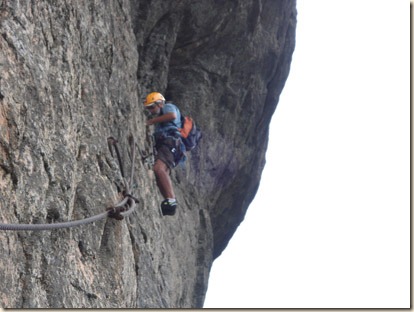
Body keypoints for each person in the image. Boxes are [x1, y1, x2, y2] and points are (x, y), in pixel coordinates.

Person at [144, 92, 185, 216]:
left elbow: (172, 116)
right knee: (160, 174)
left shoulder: (167, 107)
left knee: (159, 169)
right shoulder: (161, 119)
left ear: (159, 103)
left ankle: (171, 200)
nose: (151, 110)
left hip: (171, 142)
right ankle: (168, 201)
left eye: (152, 106)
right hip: (168, 144)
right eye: (149, 108)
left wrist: (151, 121)